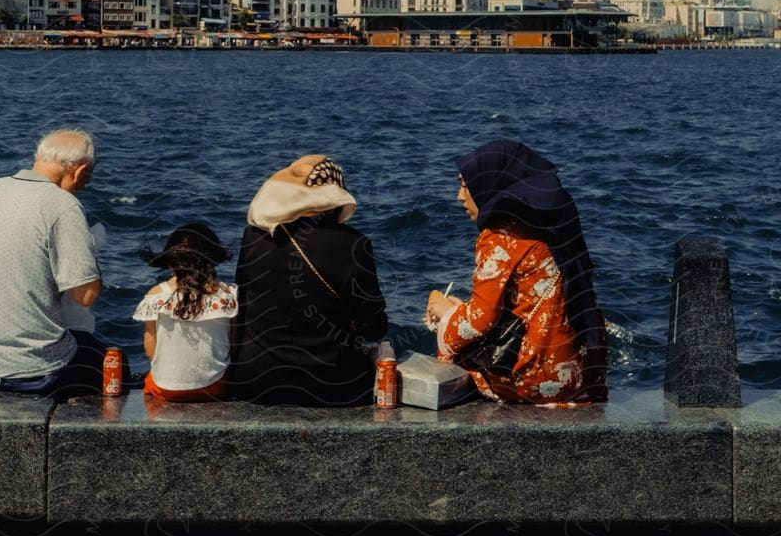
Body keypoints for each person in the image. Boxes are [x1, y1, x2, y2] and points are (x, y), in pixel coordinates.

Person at [425, 139, 608, 406]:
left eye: (465, 186)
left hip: (541, 381)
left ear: (490, 184)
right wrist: (459, 309)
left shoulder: (500, 236)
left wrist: (444, 315)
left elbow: (479, 321)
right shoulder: (551, 223)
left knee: (456, 353)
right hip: (585, 375)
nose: (460, 196)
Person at [0, 128, 104, 394]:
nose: (83, 187)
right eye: (86, 180)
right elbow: (86, 294)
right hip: (34, 370)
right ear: (79, 171)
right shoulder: (63, 205)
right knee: (111, 366)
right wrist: (90, 249)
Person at [228, 153, 388, 406]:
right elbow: (374, 327)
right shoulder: (354, 243)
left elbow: (242, 306)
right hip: (333, 384)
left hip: (255, 381)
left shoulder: (254, 238)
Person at [133, 221, 236, 403]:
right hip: (214, 387)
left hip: (164, 389)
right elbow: (233, 345)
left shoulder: (155, 296)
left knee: (148, 381)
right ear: (213, 260)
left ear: (171, 262)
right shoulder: (226, 295)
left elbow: (150, 351)